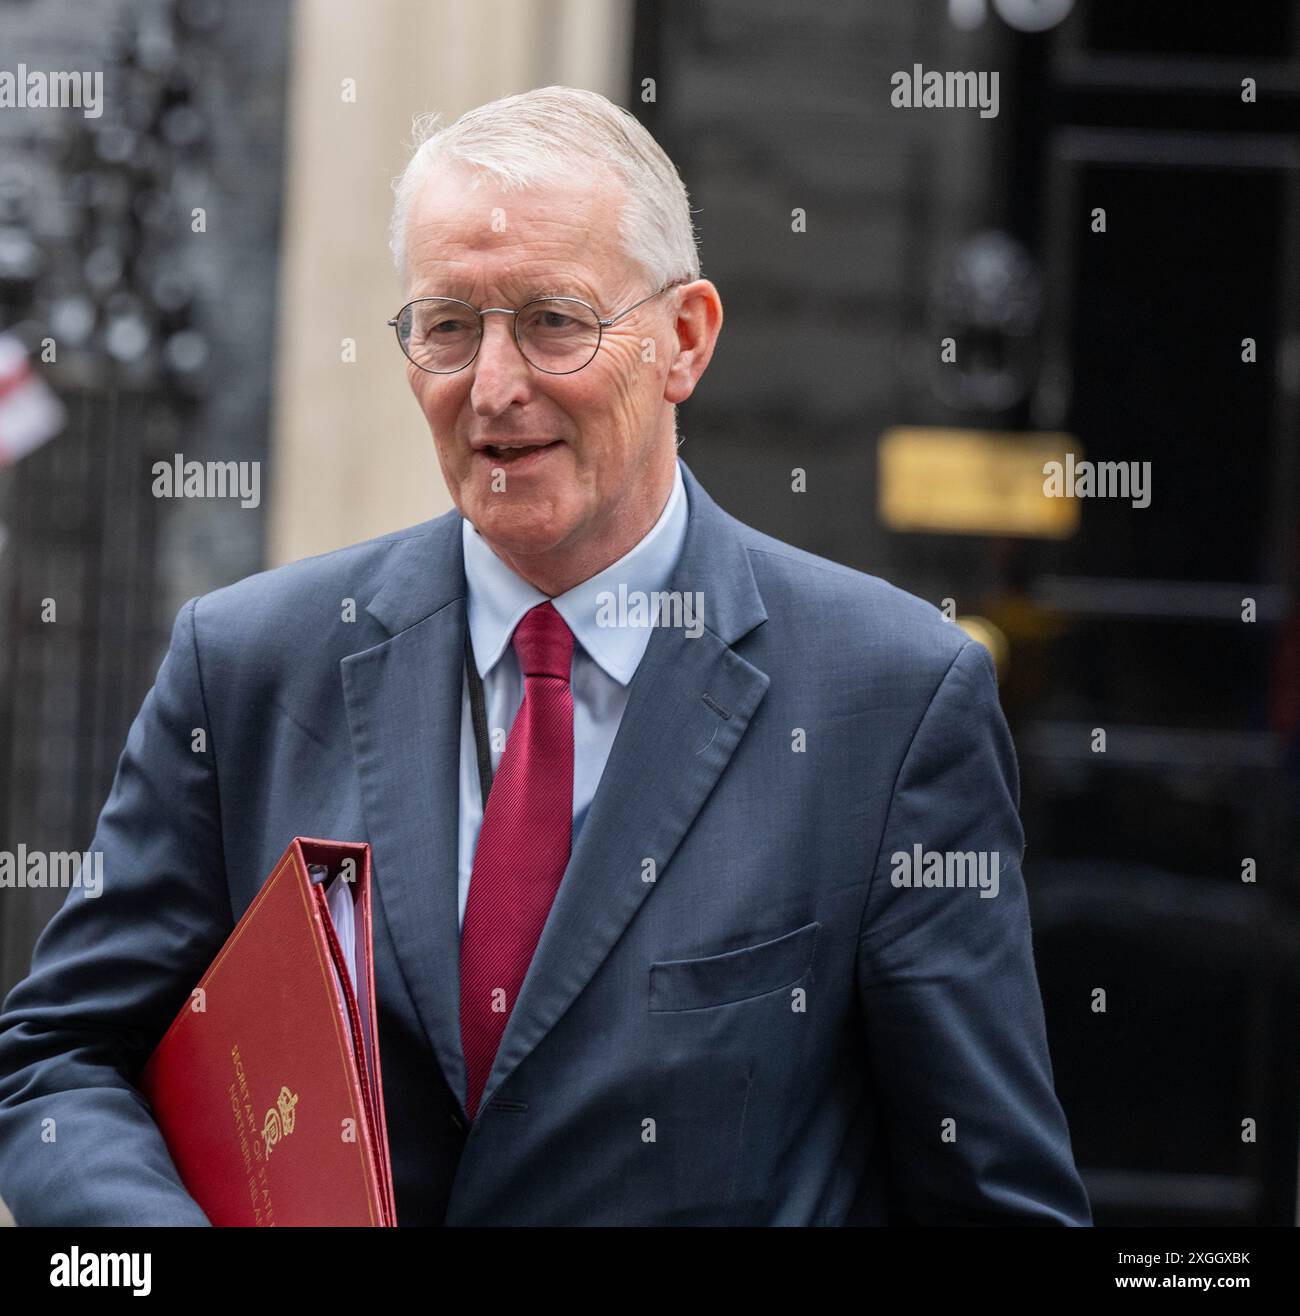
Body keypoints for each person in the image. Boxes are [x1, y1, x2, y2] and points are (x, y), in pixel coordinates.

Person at [0, 85, 1090, 1226]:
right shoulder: (250, 663)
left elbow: (993, 1196)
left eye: (553, 321)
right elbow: (59, 1062)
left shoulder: (891, 699)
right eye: (448, 325)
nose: (494, 386)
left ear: (684, 339)